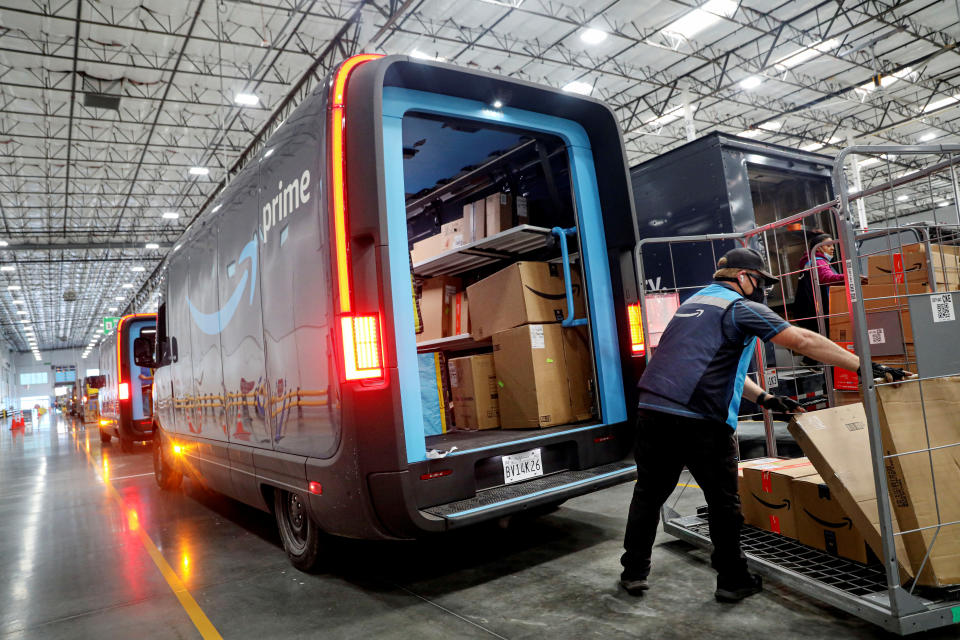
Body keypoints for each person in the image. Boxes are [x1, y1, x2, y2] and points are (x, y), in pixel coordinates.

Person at [619, 247, 906, 603]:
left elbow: (709, 367)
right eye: (759, 281)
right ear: (742, 277)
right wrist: (861, 365)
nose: (762, 289)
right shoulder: (739, 307)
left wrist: (765, 399)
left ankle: (633, 572)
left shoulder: (693, 306)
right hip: (700, 421)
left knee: (648, 494)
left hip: (652, 412)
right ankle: (732, 579)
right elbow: (801, 339)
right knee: (723, 503)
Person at [793, 229, 855, 334]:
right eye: (829, 245)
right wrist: (850, 276)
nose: (832, 248)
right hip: (820, 311)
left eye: (832, 245)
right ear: (819, 247)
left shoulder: (811, 262)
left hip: (812, 312)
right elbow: (827, 278)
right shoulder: (818, 261)